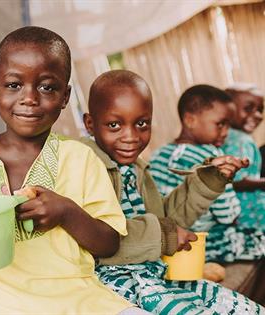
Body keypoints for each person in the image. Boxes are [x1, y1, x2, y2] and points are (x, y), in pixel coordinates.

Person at [0, 26, 143, 314]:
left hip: (82, 301)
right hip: (3, 305)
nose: (29, 98)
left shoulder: (80, 157)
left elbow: (109, 243)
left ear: (65, 96)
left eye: (46, 87)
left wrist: (66, 211)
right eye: (14, 85)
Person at [80, 70, 262, 314]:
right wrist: (165, 234)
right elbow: (98, 237)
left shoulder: (136, 169)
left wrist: (209, 179)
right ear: (90, 124)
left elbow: (167, 219)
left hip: (157, 274)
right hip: (120, 285)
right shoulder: (83, 166)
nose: (131, 136)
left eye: (142, 123)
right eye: (114, 125)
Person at [149, 85, 265, 264]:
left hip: (167, 239)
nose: (226, 132)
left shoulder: (159, 153)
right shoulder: (211, 158)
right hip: (206, 242)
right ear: (190, 120)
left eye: (228, 125)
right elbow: (228, 214)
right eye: (220, 124)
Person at [221, 83, 265, 230]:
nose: (258, 115)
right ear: (228, 111)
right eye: (248, 108)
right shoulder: (241, 141)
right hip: (249, 218)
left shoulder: (226, 137)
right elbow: (236, 180)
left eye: (260, 109)